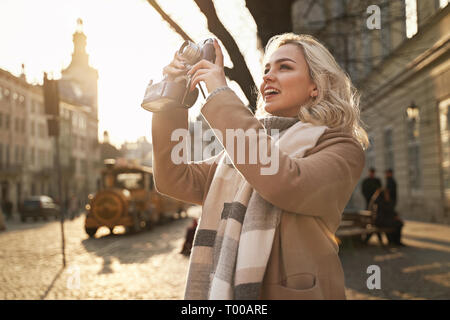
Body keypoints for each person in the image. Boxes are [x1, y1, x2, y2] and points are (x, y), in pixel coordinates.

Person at [151, 33, 367, 299]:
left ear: (317, 86)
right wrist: (172, 100)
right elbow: (173, 177)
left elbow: (286, 182)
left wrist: (220, 93)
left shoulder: (342, 148)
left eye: (284, 67)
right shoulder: (242, 151)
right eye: (266, 69)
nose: (267, 77)